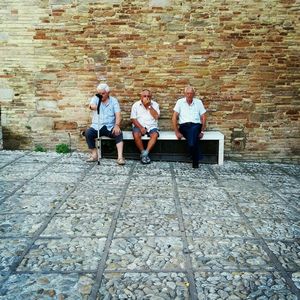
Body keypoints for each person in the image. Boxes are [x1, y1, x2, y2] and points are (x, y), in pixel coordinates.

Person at [84, 83, 125, 165]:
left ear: (108, 93)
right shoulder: (96, 98)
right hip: (97, 126)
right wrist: (93, 106)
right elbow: (91, 105)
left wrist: (117, 125)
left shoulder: (113, 101)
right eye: (99, 93)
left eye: (103, 93)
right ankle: (94, 154)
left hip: (109, 126)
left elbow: (118, 114)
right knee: (88, 133)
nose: (101, 95)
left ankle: (120, 157)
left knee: (118, 133)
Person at [172, 86, 207, 168]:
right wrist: (176, 132)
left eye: (191, 93)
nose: (189, 95)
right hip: (184, 126)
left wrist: (202, 131)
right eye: (187, 93)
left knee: (193, 131)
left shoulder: (198, 102)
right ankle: (197, 157)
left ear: (194, 94)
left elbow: (204, 117)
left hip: (196, 126)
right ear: (185, 94)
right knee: (193, 136)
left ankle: (193, 156)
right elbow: (174, 117)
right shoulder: (180, 102)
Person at [130, 89, 160, 164]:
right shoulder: (136, 105)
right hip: (139, 125)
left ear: (151, 97)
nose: (147, 98)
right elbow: (133, 119)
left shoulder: (155, 105)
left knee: (155, 135)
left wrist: (149, 106)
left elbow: (156, 117)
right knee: (136, 134)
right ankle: (143, 152)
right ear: (141, 97)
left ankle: (145, 154)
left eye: (148, 96)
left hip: (151, 126)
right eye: (144, 96)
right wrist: (141, 128)